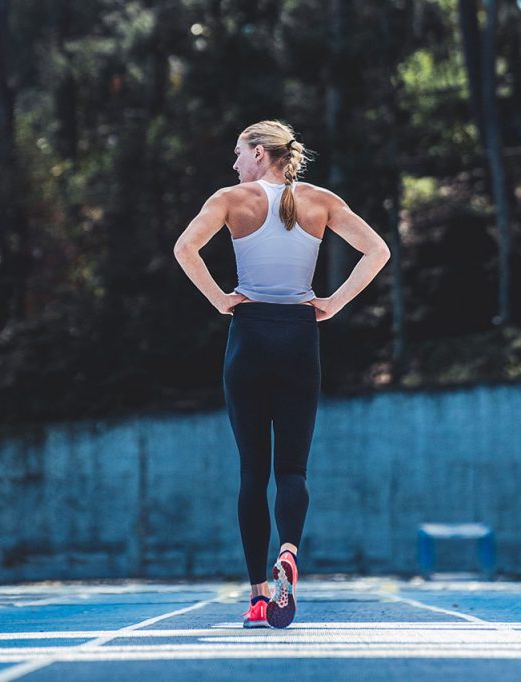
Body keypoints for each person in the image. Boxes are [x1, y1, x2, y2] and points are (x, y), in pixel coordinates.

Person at [173, 120, 390, 628]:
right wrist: (332, 304)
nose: (233, 164)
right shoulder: (319, 200)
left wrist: (221, 301)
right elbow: (377, 251)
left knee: (253, 471)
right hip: (299, 336)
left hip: (249, 334)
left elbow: (185, 249)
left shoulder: (230, 199)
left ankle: (258, 596)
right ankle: (289, 549)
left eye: (238, 153)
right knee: (293, 470)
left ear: (257, 152)